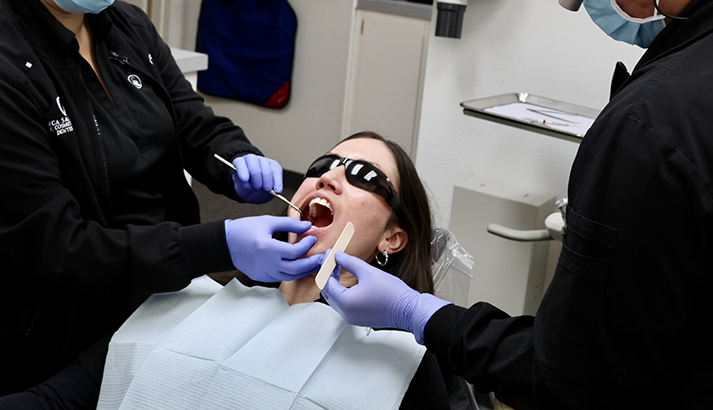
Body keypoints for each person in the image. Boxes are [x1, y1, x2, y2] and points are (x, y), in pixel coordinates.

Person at [321, 0, 713, 409]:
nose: (327, 182)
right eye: (324, 166)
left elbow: (574, 380)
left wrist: (423, 316)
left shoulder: (651, 127)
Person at [0, 0, 322, 408]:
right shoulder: (7, 70)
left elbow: (193, 124)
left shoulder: (128, 30)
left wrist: (237, 158)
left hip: (165, 298)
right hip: (63, 327)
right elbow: (64, 247)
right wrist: (217, 243)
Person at [96, 132, 475, 410]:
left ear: (392, 239)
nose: (327, 178)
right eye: (321, 167)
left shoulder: (403, 362)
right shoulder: (190, 297)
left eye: (363, 175)